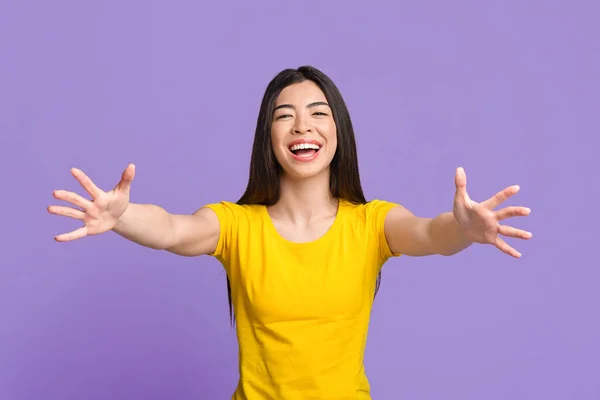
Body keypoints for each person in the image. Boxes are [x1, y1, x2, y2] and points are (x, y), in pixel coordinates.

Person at [48, 66, 532, 399]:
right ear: (270, 137)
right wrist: (121, 216)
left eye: (319, 113)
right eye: (285, 115)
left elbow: (429, 234)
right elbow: (175, 229)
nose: (303, 125)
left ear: (338, 131)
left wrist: (465, 229)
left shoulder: (369, 224)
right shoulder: (238, 226)